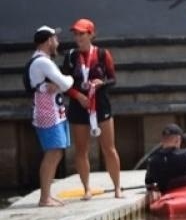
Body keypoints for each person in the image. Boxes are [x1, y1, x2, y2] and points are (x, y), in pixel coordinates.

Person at [63, 18, 122, 198]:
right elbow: (64, 84)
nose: (78, 37)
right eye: (76, 34)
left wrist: (101, 83)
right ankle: (87, 188)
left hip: (101, 104)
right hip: (79, 106)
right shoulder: (71, 56)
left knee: (109, 148)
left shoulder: (103, 54)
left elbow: (113, 79)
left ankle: (117, 187)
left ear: (91, 34)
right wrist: (78, 96)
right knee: (81, 150)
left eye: (82, 34)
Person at [26, 26, 79, 207]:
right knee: (53, 153)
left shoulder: (44, 61)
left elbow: (60, 84)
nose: (58, 42)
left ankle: (47, 194)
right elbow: (65, 83)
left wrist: (60, 83)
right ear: (48, 40)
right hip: (47, 113)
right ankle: (44, 198)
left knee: (56, 153)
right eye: (55, 38)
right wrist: (67, 79)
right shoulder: (43, 62)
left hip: (55, 112)